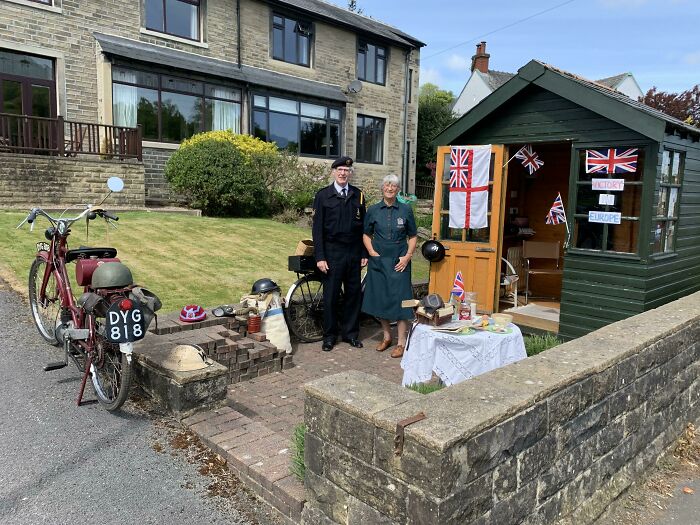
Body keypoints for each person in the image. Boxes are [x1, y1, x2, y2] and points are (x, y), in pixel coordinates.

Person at [312, 156, 367, 351]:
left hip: (353, 253)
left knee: (353, 295)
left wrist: (363, 253)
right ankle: (329, 336)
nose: (343, 173)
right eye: (340, 170)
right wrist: (320, 257)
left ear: (350, 173)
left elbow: (363, 228)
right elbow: (317, 230)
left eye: (346, 170)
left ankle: (350, 334)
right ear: (334, 172)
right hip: (332, 253)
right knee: (331, 296)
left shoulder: (358, 195)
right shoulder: (323, 196)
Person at [361, 174, 418, 358]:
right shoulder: (373, 210)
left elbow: (413, 236)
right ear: (382, 188)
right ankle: (387, 337)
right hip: (379, 261)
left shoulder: (406, 210)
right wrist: (371, 253)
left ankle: (401, 342)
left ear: (398, 189)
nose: (390, 188)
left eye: (393, 186)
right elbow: (366, 234)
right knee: (381, 299)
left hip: (399, 262)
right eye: (387, 185)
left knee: (402, 302)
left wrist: (407, 257)